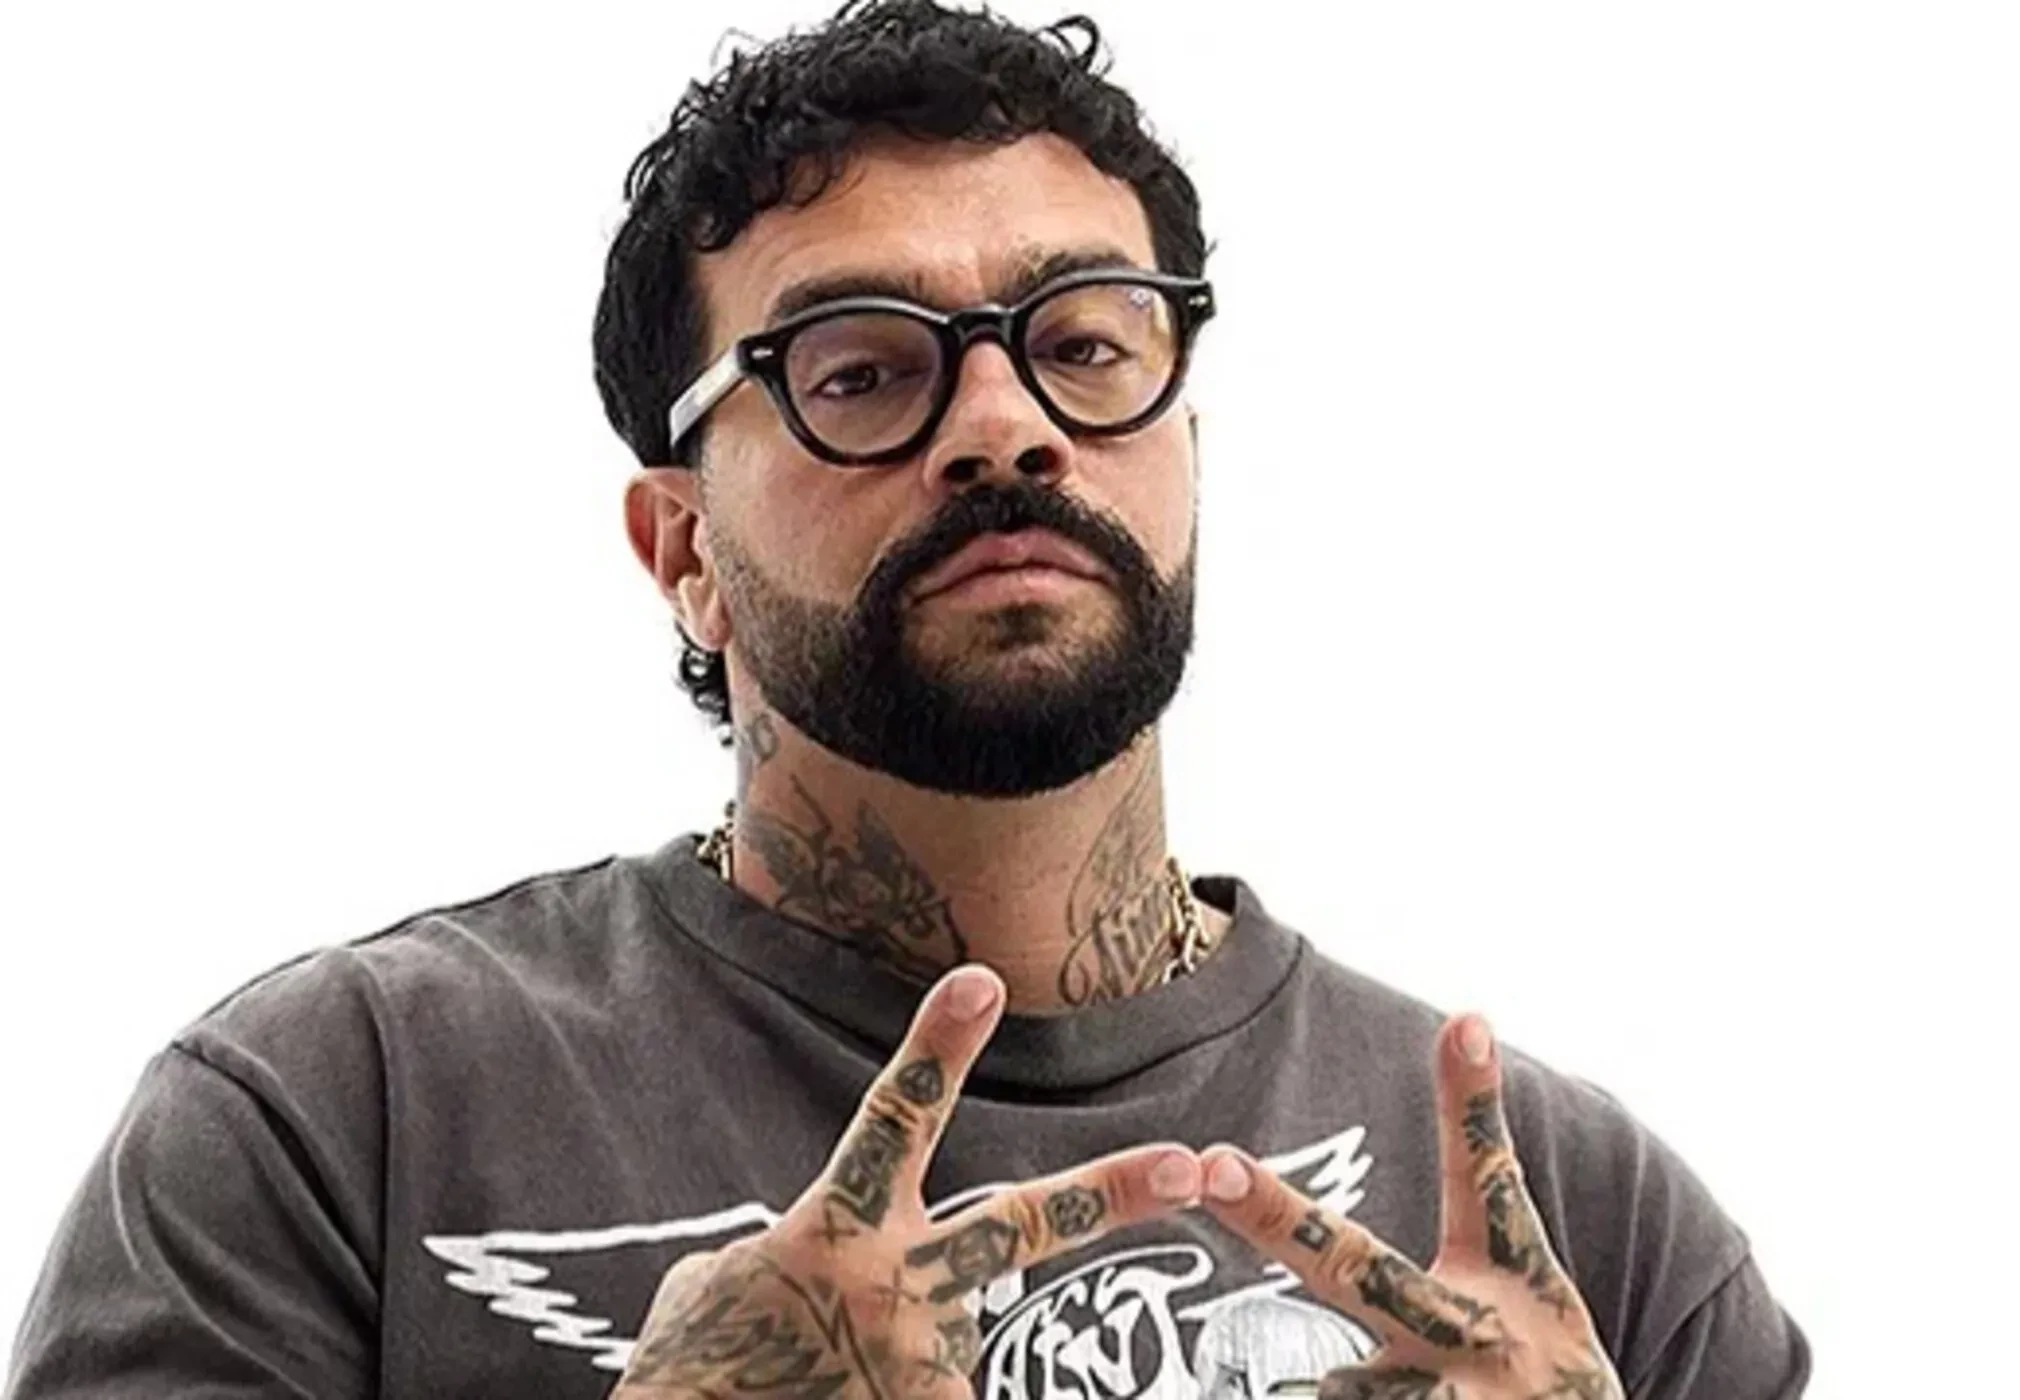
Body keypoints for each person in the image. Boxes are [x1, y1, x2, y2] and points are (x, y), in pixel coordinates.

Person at [4, 3, 1810, 1397]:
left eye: (1086, 341)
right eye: (861, 370)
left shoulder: (1574, 1226)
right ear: (682, 548)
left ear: (1185, 452)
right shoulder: (334, 1122)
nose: (1007, 426)